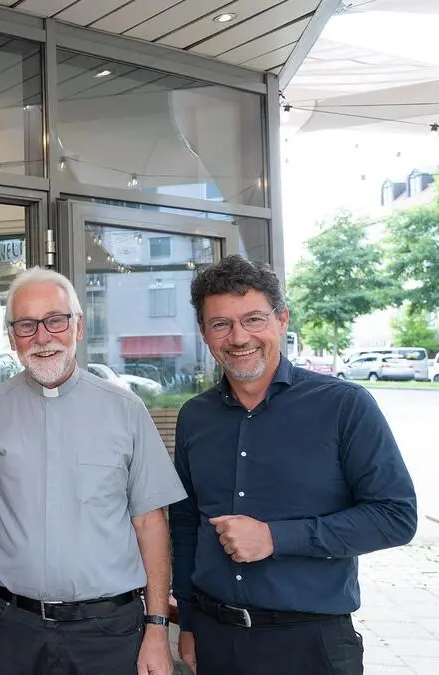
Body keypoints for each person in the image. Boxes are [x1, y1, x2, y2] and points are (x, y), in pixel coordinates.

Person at [169, 255, 417, 675]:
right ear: (205, 334)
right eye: (221, 324)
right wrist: (189, 623)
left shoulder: (344, 406)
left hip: (310, 644)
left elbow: (396, 517)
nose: (238, 336)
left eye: (253, 319)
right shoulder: (194, 416)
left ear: (282, 320)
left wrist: (275, 537)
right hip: (216, 638)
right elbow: (187, 522)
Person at [0, 267, 186, 675]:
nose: (42, 337)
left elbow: (150, 525)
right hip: (13, 628)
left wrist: (156, 627)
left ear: (78, 327)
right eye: (26, 325)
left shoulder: (127, 411)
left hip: (109, 632)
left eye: (55, 320)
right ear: (12, 337)